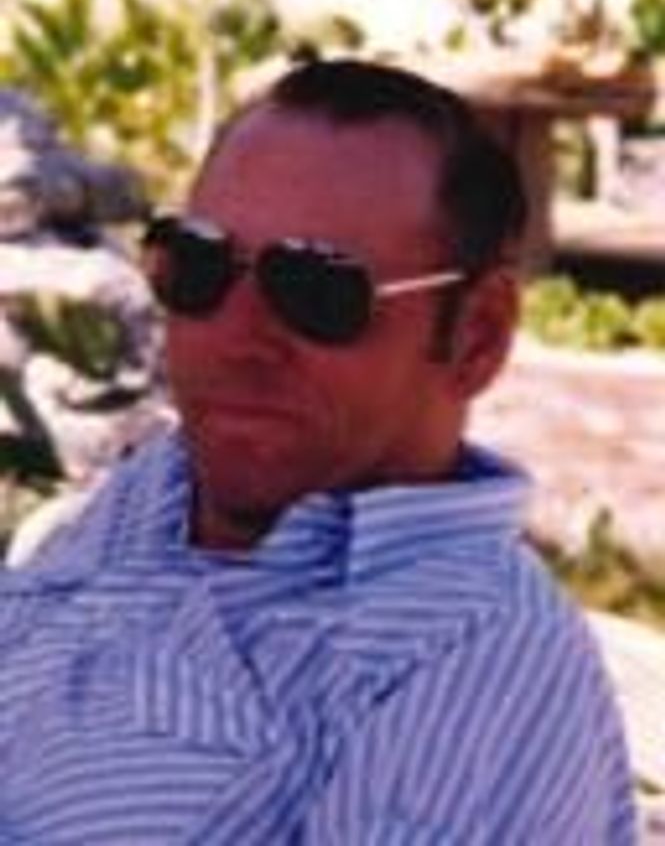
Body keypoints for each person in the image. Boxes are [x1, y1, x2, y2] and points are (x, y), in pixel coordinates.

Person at [0, 58, 636, 843]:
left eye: (314, 290)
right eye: (198, 265)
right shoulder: (157, 493)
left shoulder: (473, 662)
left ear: (476, 336)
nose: (234, 340)